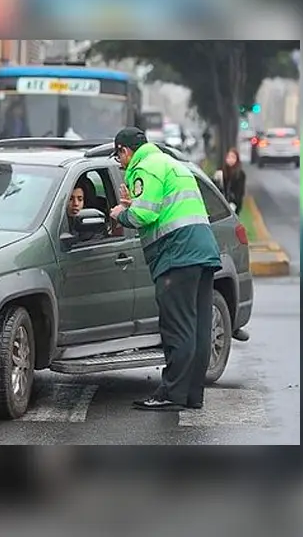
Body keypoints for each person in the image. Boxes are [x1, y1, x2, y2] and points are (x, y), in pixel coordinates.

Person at [108, 127, 222, 411]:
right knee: (197, 328)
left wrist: (120, 213)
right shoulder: (172, 163)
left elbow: (145, 213)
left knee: (177, 328)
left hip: (177, 255)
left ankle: (170, 394)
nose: (120, 164)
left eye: (119, 157)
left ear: (125, 150)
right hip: (202, 251)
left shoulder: (144, 167)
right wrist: (134, 205)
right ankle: (192, 395)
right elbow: (165, 206)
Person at [217, 148, 246, 214]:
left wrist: (234, 203)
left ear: (237, 159)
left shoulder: (240, 174)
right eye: (229, 157)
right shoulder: (222, 171)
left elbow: (240, 192)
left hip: (233, 204)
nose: (230, 159)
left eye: (233, 157)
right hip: (222, 203)